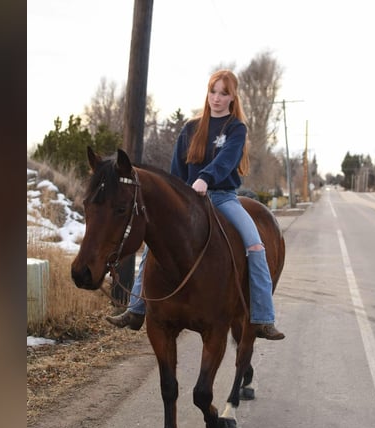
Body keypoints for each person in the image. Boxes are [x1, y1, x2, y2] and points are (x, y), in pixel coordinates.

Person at [106, 69, 284, 340]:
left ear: (233, 97)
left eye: (224, 93)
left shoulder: (236, 129)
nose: (217, 98)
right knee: (153, 243)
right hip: (189, 200)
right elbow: (176, 170)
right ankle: (136, 309)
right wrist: (173, 196)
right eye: (213, 91)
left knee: (255, 244)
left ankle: (262, 317)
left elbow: (227, 160)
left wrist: (205, 177)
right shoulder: (191, 128)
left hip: (223, 198)